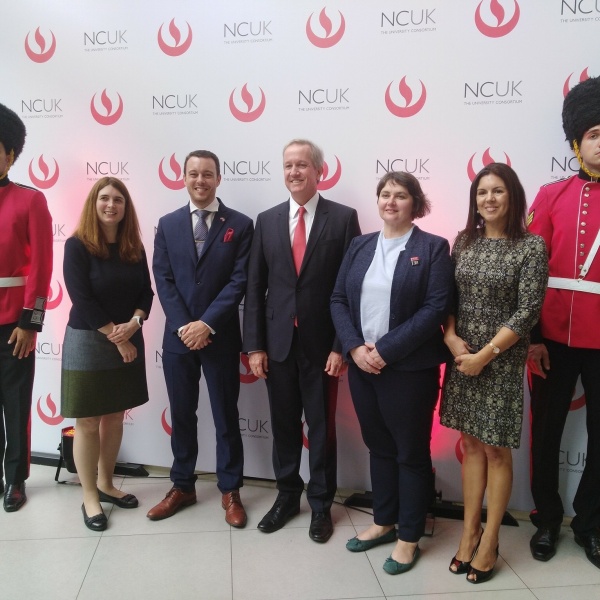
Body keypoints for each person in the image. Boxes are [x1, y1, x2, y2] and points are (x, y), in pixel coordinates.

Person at [330, 172, 453, 574]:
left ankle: (409, 537)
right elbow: (338, 299)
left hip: (409, 370)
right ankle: (384, 521)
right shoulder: (360, 245)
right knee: (379, 447)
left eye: (401, 195)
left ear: (415, 203)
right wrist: (353, 347)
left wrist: (385, 351)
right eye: (385, 194)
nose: (391, 201)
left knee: (411, 453)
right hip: (362, 366)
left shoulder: (433, 247)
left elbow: (435, 308)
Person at [242, 139, 361, 543]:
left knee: (322, 429)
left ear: (319, 171)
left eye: (302, 165)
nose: (294, 172)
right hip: (277, 345)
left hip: (323, 347)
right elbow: (255, 287)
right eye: (288, 165)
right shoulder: (267, 220)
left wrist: (341, 345)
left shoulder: (342, 219)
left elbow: (351, 288)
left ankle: (321, 505)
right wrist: (254, 346)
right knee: (283, 425)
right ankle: (287, 496)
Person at [440, 163, 547, 583]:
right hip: (463, 356)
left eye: (498, 191)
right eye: (482, 192)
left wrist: (485, 355)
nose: (489, 199)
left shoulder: (531, 247)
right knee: (470, 444)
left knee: (497, 450)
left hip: (499, 360)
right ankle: (469, 532)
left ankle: (490, 541)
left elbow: (527, 311)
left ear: (512, 196)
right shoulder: (464, 240)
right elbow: (448, 296)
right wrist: (451, 337)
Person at [148, 150, 253, 527]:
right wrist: (184, 326)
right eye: (193, 174)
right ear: (183, 178)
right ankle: (182, 486)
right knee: (181, 414)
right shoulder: (167, 224)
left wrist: (206, 324)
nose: (200, 180)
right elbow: (164, 279)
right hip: (178, 339)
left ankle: (231, 489)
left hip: (219, 336)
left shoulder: (240, 224)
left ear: (219, 178)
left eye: (207, 174)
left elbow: (239, 280)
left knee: (226, 415)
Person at [527, 76, 600, 569]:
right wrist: (532, 338)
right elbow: (531, 272)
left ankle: (590, 523)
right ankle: (547, 518)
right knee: (546, 432)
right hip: (551, 338)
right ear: (577, 143)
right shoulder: (551, 195)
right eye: (594, 134)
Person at [61, 177, 153, 531]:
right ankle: (89, 496)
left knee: (115, 416)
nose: (111, 205)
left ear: (126, 207)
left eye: (118, 199)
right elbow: (81, 298)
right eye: (104, 198)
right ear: (93, 203)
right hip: (89, 339)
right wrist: (119, 337)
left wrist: (135, 323)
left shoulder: (133, 246)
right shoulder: (77, 245)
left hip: (128, 334)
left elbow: (146, 293)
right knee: (87, 421)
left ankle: (106, 484)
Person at [0, 103, 53, 512]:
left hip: (13, 323)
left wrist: (31, 323)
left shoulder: (30, 200)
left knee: (16, 404)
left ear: (11, 154)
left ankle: (15, 478)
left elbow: (41, 267)